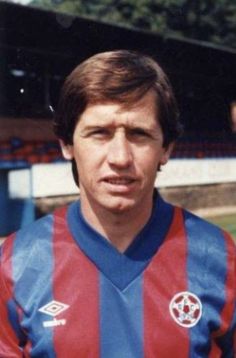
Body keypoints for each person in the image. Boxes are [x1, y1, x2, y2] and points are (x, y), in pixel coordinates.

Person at [0, 50, 235, 357]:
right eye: (99, 133)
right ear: (68, 144)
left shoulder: (221, 258)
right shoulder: (14, 263)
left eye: (139, 134)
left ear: (165, 148)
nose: (120, 158)